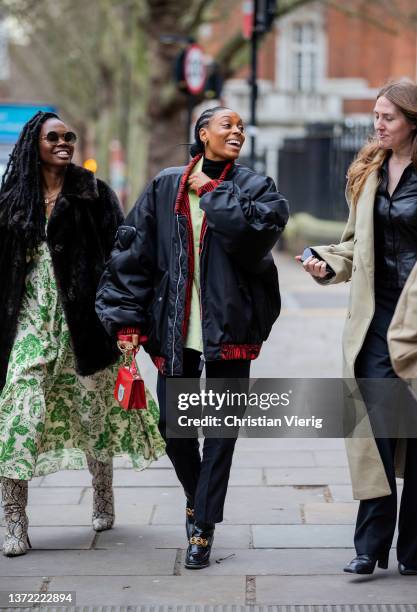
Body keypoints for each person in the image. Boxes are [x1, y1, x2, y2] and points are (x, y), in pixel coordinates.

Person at [96, 106, 289, 569]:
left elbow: (253, 237)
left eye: (241, 127)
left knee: (221, 433)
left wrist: (213, 192)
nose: (237, 131)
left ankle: (202, 526)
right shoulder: (166, 186)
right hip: (175, 327)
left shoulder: (255, 187)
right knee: (175, 430)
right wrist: (127, 321)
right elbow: (133, 253)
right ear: (202, 134)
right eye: (227, 125)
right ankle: (196, 497)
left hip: (232, 328)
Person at [0, 111, 164, 557]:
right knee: (20, 411)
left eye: (69, 136)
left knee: (93, 416)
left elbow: (123, 261)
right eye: (54, 136)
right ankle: (14, 518)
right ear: (34, 142)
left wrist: (128, 324)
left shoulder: (94, 195)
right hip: (31, 326)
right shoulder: (13, 199)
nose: (64, 142)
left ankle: (103, 491)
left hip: (87, 328)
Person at [297, 79, 417, 576]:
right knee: (374, 437)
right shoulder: (368, 173)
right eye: (376, 115)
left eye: (388, 117)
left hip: (416, 324)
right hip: (374, 323)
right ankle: (370, 547)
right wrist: (327, 263)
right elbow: (352, 245)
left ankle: (413, 551)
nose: (378, 124)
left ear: (413, 121)